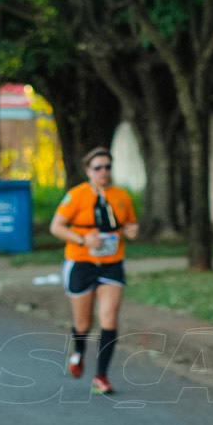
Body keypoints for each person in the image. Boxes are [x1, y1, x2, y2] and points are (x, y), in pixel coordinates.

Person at [49, 146, 139, 394]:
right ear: (88, 171)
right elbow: (56, 227)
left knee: (109, 317)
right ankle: (78, 352)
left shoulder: (121, 196)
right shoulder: (76, 196)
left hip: (111, 263)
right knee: (83, 323)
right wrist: (82, 239)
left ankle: (101, 376)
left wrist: (132, 230)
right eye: (98, 167)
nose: (103, 172)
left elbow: (130, 223)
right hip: (81, 262)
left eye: (107, 167)